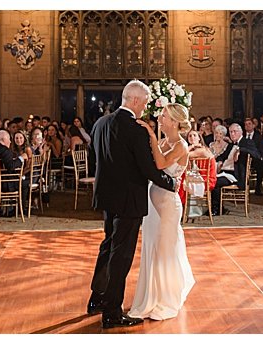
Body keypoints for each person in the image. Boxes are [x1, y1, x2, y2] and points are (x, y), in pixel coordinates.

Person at [87, 80, 176, 329]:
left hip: (107, 197)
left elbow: (96, 157)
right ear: (135, 100)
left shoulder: (100, 123)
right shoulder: (135, 129)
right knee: (121, 254)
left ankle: (97, 299)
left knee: (107, 246)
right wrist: (170, 182)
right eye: (145, 102)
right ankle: (112, 312)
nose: (145, 107)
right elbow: (147, 168)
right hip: (129, 200)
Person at [127, 103, 196, 321]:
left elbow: (159, 164)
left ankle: (167, 298)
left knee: (164, 251)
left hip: (167, 206)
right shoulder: (166, 141)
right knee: (151, 248)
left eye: (164, 116)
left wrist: (150, 134)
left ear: (175, 122)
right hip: (152, 204)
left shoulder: (181, 146)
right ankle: (151, 295)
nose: (160, 118)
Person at [0, 130, 24, 217]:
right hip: (1, 186)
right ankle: (17, 210)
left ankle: (1, 209)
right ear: (3, 139)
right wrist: (21, 158)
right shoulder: (5, 150)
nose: (10, 141)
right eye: (9, 139)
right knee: (23, 183)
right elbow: (11, 166)